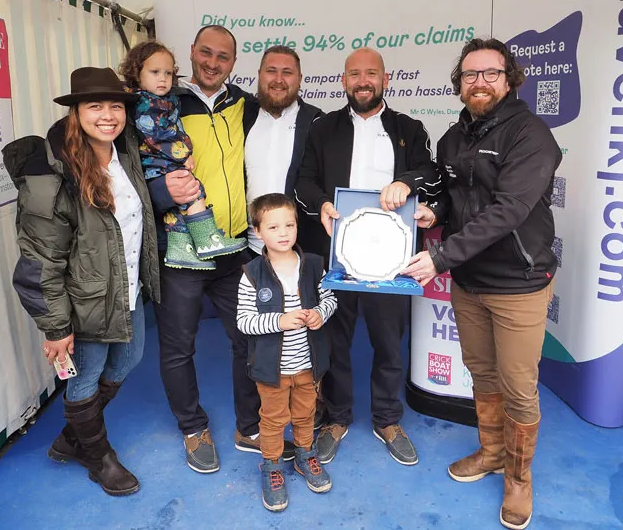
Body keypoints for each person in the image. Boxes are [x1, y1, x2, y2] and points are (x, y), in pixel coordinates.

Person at [402, 38, 561, 530]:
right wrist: (434, 211)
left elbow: (508, 210)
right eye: (470, 75)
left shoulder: (531, 134)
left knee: (518, 384)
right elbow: (457, 196)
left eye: (491, 73)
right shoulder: (454, 137)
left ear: (510, 78)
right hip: (468, 280)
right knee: (482, 372)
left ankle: (518, 477)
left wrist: (441, 255)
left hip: (518, 280)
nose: (480, 82)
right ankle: (492, 451)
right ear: (460, 83)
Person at [3, 67, 160, 496]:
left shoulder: (124, 153)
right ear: (76, 112)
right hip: (82, 301)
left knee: (127, 361)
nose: (108, 115)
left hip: (127, 289)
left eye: (116, 106)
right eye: (95, 106)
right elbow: (40, 259)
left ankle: (73, 438)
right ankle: (98, 457)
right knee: (85, 376)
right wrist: (56, 327)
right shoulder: (50, 175)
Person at [146, 25, 291, 474]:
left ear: (234, 62)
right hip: (181, 252)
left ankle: (248, 426)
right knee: (178, 347)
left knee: (249, 337)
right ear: (191, 52)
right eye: (205, 53)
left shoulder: (245, 106)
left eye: (223, 57)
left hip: (231, 250)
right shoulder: (162, 104)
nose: (212, 62)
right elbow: (133, 171)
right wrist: (161, 191)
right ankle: (193, 427)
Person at [294, 48, 440, 466]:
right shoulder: (323, 129)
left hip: (392, 261)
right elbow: (304, 180)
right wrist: (321, 204)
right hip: (338, 257)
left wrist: (406, 182)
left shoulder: (408, 128)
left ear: (385, 79)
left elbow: (430, 173)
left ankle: (387, 419)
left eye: (370, 73)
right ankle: (337, 418)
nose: (362, 80)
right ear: (343, 81)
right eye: (354, 74)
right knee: (333, 341)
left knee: (389, 343)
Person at [236, 193, 337, 512]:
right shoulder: (252, 273)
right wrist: (279, 320)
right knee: (274, 419)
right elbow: (244, 321)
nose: (283, 233)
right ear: (257, 231)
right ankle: (272, 466)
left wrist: (321, 313)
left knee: (307, 413)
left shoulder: (314, 265)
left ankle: (306, 455)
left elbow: (330, 298)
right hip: (272, 369)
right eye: (273, 226)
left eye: (289, 225)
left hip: (308, 363)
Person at [119, 40, 246, 271]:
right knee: (193, 190)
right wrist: (183, 154)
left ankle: (181, 248)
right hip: (160, 164)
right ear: (137, 73)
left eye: (168, 73)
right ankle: (207, 239)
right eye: (155, 72)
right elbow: (157, 135)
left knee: (178, 207)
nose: (163, 78)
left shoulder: (168, 99)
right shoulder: (143, 103)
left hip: (166, 165)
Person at [242, 45, 323, 257]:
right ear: (259, 75)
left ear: (300, 78)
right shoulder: (240, 117)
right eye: (271, 71)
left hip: (300, 251)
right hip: (246, 250)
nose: (279, 79)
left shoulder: (317, 123)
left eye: (287, 72)